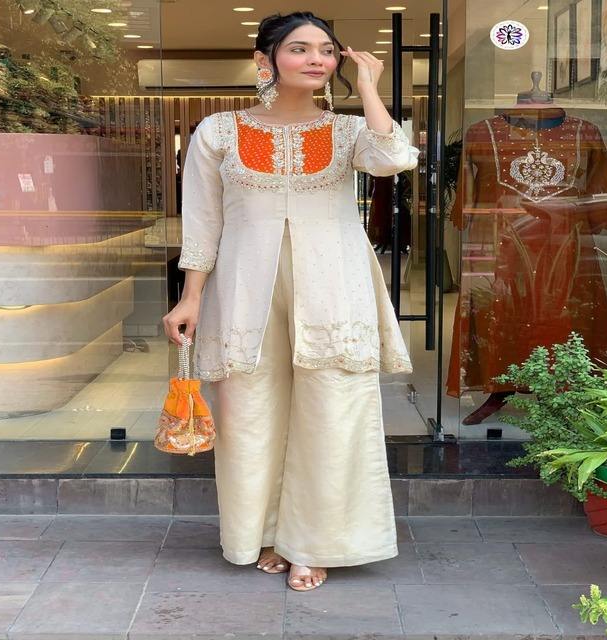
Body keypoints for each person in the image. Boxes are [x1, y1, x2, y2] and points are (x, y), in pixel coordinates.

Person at [163, 11, 419, 592]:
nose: (316, 59)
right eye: (299, 48)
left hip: (334, 286)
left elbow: (394, 158)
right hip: (243, 287)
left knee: (332, 409)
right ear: (265, 60)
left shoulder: (348, 131)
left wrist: (370, 85)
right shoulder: (218, 131)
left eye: (326, 50)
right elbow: (202, 222)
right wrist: (190, 297)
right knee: (249, 414)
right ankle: (265, 534)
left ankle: (315, 543)